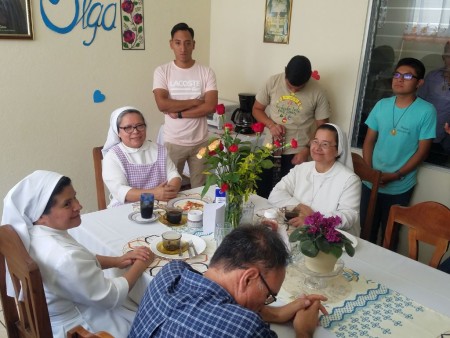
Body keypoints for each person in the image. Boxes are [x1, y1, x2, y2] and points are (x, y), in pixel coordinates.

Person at [1, 170, 154, 338]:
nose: (78, 206)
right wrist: (140, 265)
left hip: (53, 315)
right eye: (67, 204)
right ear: (41, 215)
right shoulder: (65, 256)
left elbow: (83, 261)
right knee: (154, 316)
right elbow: (111, 297)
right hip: (77, 328)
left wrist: (117, 261)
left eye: (75, 197)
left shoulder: (35, 234)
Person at [128, 225, 327, 338]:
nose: (266, 301)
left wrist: (276, 313)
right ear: (248, 278)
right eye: (268, 295)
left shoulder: (171, 273)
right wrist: (304, 330)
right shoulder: (246, 328)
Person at [362, 57, 437, 245]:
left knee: (390, 237)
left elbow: (422, 152)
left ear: (419, 83)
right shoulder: (382, 105)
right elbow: (369, 140)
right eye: (396, 74)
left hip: (400, 186)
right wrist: (370, 171)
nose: (399, 79)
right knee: (365, 231)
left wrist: (396, 175)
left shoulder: (427, 111)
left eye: (407, 76)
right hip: (371, 182)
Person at [252, 55, 331, 198]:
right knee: (262, 194)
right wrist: (271, 125)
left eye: (299, 88)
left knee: (290, 198)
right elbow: (257, 109)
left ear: (308, 79)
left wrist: (307, 149)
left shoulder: (318, 91)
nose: (293, 91)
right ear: (285, 72)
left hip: (297, 153)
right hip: (269, 149)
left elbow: (323, 128)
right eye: (289, 86)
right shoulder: (273, 82)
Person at [153, 22, 218, 188]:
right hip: (174, 142)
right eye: (178, 43)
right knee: (169, 189)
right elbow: (162, 104)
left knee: (202, 190)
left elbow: (210, 106)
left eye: (187, 43)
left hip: (201, 142)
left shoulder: (206, 72)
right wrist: (195, 102)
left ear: (193, 45)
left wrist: (180, 113)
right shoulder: (162, 71)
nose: (183, 48)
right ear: (171, 44)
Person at [269, 123, 361, 236]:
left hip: (332, 238)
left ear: (338, 150)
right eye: (315, 141)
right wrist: (300, 206)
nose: (317, 148)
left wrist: (312, 220)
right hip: (297, 230)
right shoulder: (301, 169)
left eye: (325, 144)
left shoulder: (350, 180)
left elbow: (349, 216)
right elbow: (275, 194)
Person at [102, 106, 182, 207]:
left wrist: (169, 191)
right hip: (126, 208)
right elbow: (120, 191)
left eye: (140, 126)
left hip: (160, 205)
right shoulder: (113, 156)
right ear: (118, 132)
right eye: (128, 128)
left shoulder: (159, 149)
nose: (135, 131)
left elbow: (173, 175)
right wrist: (154, 194)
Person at [418, 41, 450, 162]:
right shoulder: (433, 77)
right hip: (424, 134)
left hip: (446, 141)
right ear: (443, 57)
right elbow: (418, 102)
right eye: (449, 55)